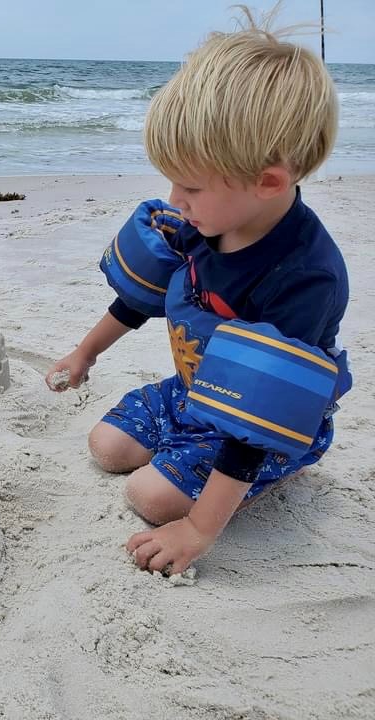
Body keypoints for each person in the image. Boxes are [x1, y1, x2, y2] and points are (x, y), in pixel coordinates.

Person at [46, 7, 351, 576]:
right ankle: (184, 453)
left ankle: (291, 462)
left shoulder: (305, 278)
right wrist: (85, 353)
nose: (174, 200)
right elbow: (140, 296)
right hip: (195, 391)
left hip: (259, 421)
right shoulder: (206, 222)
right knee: (107, 448)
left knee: (151, 498)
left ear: (268, 182)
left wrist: (198, 529)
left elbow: (259, 411)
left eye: (190, 185)